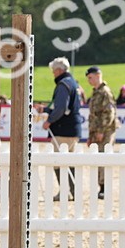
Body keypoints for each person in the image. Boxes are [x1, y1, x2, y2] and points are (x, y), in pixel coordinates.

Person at [42, 57, 81, 200]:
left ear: (59, 70)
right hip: (72, 129)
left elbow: (61, 108)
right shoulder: (73, 83)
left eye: (53, 71)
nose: (53, 74)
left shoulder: (63, 84)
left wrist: (49, 120)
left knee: (58, 162)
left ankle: (65, 192)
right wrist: (45, 109)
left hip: (62, 129)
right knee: (70, 161)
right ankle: (73, 191)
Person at [85, 67, 119, 198]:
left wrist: (100, 131)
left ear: (98, 75)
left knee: (104, 158)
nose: (89, 80)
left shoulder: (105, 92)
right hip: (97, 131)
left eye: (90, 77)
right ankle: (101, 186)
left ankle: (105, 187)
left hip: (106, 131)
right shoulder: (96, 92)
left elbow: (109, 113)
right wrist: (91, 135)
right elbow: (93, 115)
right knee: (98, 158)